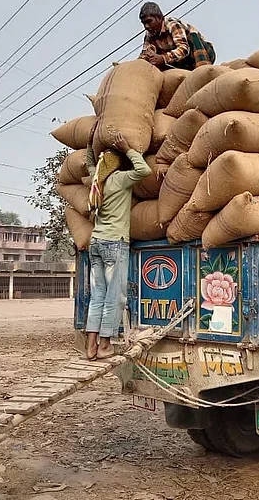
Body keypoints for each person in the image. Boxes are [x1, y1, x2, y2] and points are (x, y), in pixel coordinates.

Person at [84, 132, 151, 360]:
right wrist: (129, 149)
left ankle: (90, 346)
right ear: (117, 165)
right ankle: (105, 345)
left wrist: (90, 143)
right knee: (115, 297)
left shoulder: (97, 180)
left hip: (95, 243)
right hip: (114, 244)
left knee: (97, 296)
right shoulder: (119, 179)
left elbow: (89, 163)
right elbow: (144, 170)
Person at [138, 2, 215, 71]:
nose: (146, 26)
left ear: (159, 18)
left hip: (201, 53)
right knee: (154, 59)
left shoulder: (172, 25)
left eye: (149, 21)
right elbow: (145, 54)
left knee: (192, 36)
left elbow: (184, 49)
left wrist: (163, 58)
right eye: (144, 23)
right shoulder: (149, 35)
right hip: (184, 63)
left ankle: (203, 70)